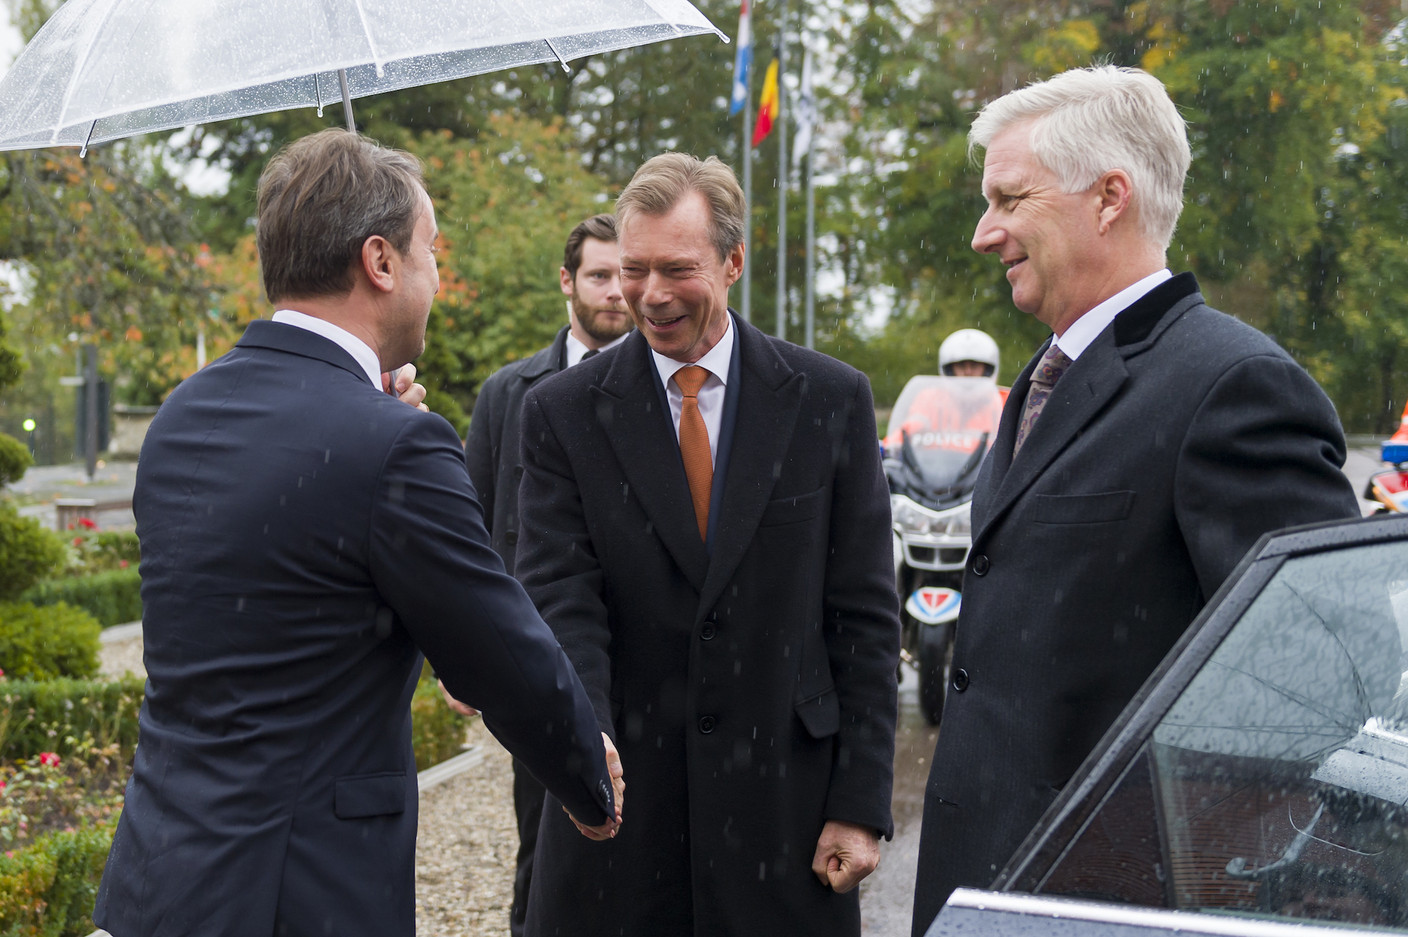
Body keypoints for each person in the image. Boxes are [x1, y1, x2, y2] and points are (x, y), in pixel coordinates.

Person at [93, 129, 621, 937]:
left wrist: (369, 431)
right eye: (429, 251)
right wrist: (588, 778)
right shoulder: (394, 445)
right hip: (300, 892)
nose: (437, 277)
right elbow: (498, 647)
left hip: (160, 878)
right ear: (380, 262)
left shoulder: (182, 415)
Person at [911, 65, 1360, 936]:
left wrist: (1160, 852)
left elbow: (1319, 680)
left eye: (1008, 198)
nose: (983, 233)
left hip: (1108, 903)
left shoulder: (1235, 385)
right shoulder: (1041, 384)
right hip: (996, 888)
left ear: (1108, 196)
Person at [516, 152, 901, 937]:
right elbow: (559, 597)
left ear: (733, 260)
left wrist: (860, 805)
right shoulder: (560, 413)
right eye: (634, 269)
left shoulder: (830, 399)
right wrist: (586, 748)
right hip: (621, 818)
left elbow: (863, 617)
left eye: (676, 268)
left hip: (785, 819)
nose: (651, 295)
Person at [459, 212, 632, 937]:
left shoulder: (662, 390)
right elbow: (472, 527)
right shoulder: (509, 394)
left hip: (634, 653)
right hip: (537, 658)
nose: (618, 292)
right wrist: (463, 651)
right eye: (599, 274)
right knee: (545, 838)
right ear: (567, 281)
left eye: (627, 274)